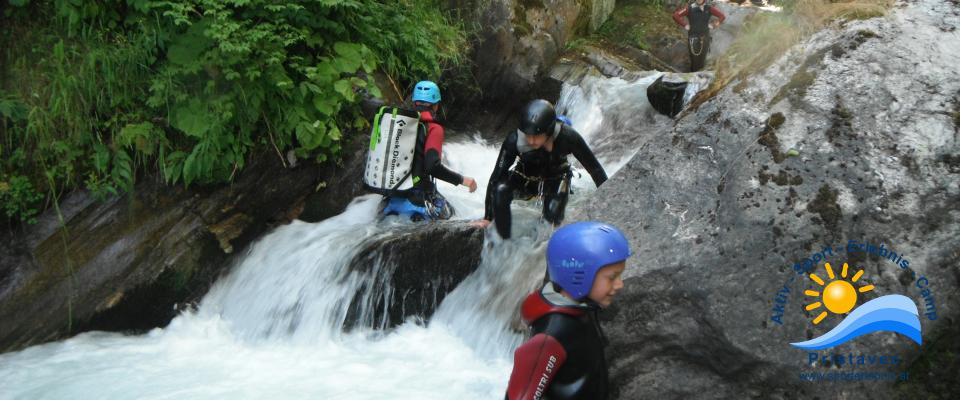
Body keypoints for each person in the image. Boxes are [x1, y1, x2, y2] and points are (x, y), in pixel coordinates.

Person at [504, 221, 631, 400]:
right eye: (612, 277)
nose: (620, 284)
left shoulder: (582, 307)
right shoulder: (551, 335)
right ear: (579, 276)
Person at [472, 99, 606, 239]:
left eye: (536, 136)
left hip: (556, 180)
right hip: (525, 178)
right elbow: (497, 176)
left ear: (548, 131)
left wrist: (607, 198)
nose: (530, 141)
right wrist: (488, 217)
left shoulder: (568, 137)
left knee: (550, 222)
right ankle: (503, 238)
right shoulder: (514, 140)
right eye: (527, 135)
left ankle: (538, 248)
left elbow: (595, 169)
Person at [380, 80, 477, 220]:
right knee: (453, 215)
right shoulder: (434, 129)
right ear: (436, 105)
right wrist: (462, 180)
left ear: (414, 103)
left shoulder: (399, 125)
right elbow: (432, 166)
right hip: (416, 203)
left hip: (390, 199)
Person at [673, 0, 726, 72]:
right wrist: (685, 25)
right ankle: (692, 79)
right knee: (695, 62)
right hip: (693, 38)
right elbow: (676, 15)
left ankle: (699, 79)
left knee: (702, 61)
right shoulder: (689, 8)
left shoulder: (709, 8)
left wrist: (713, 25)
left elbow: (722, 16)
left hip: (705, 38)